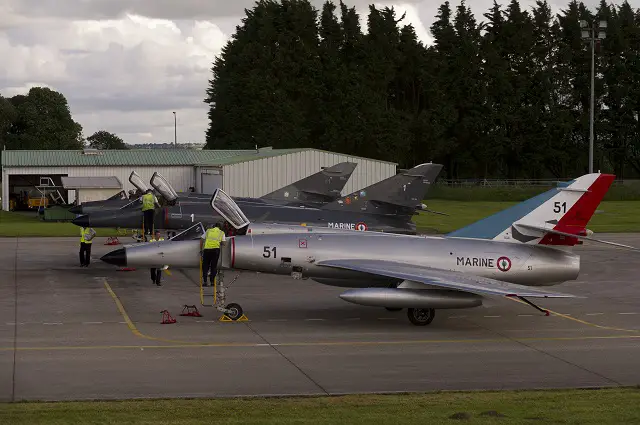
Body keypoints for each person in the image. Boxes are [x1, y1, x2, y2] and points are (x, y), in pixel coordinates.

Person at [200, 222, 226, 287]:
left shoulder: (208, 231)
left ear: (214, 226)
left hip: (207, 250)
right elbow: (224, 243)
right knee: (213, 266)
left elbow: (202, 239)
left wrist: (201, 249)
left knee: (205, 266)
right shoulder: (221, 233)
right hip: (216, 251)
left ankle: (205, 282)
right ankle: (212, 282)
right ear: (220, 227)